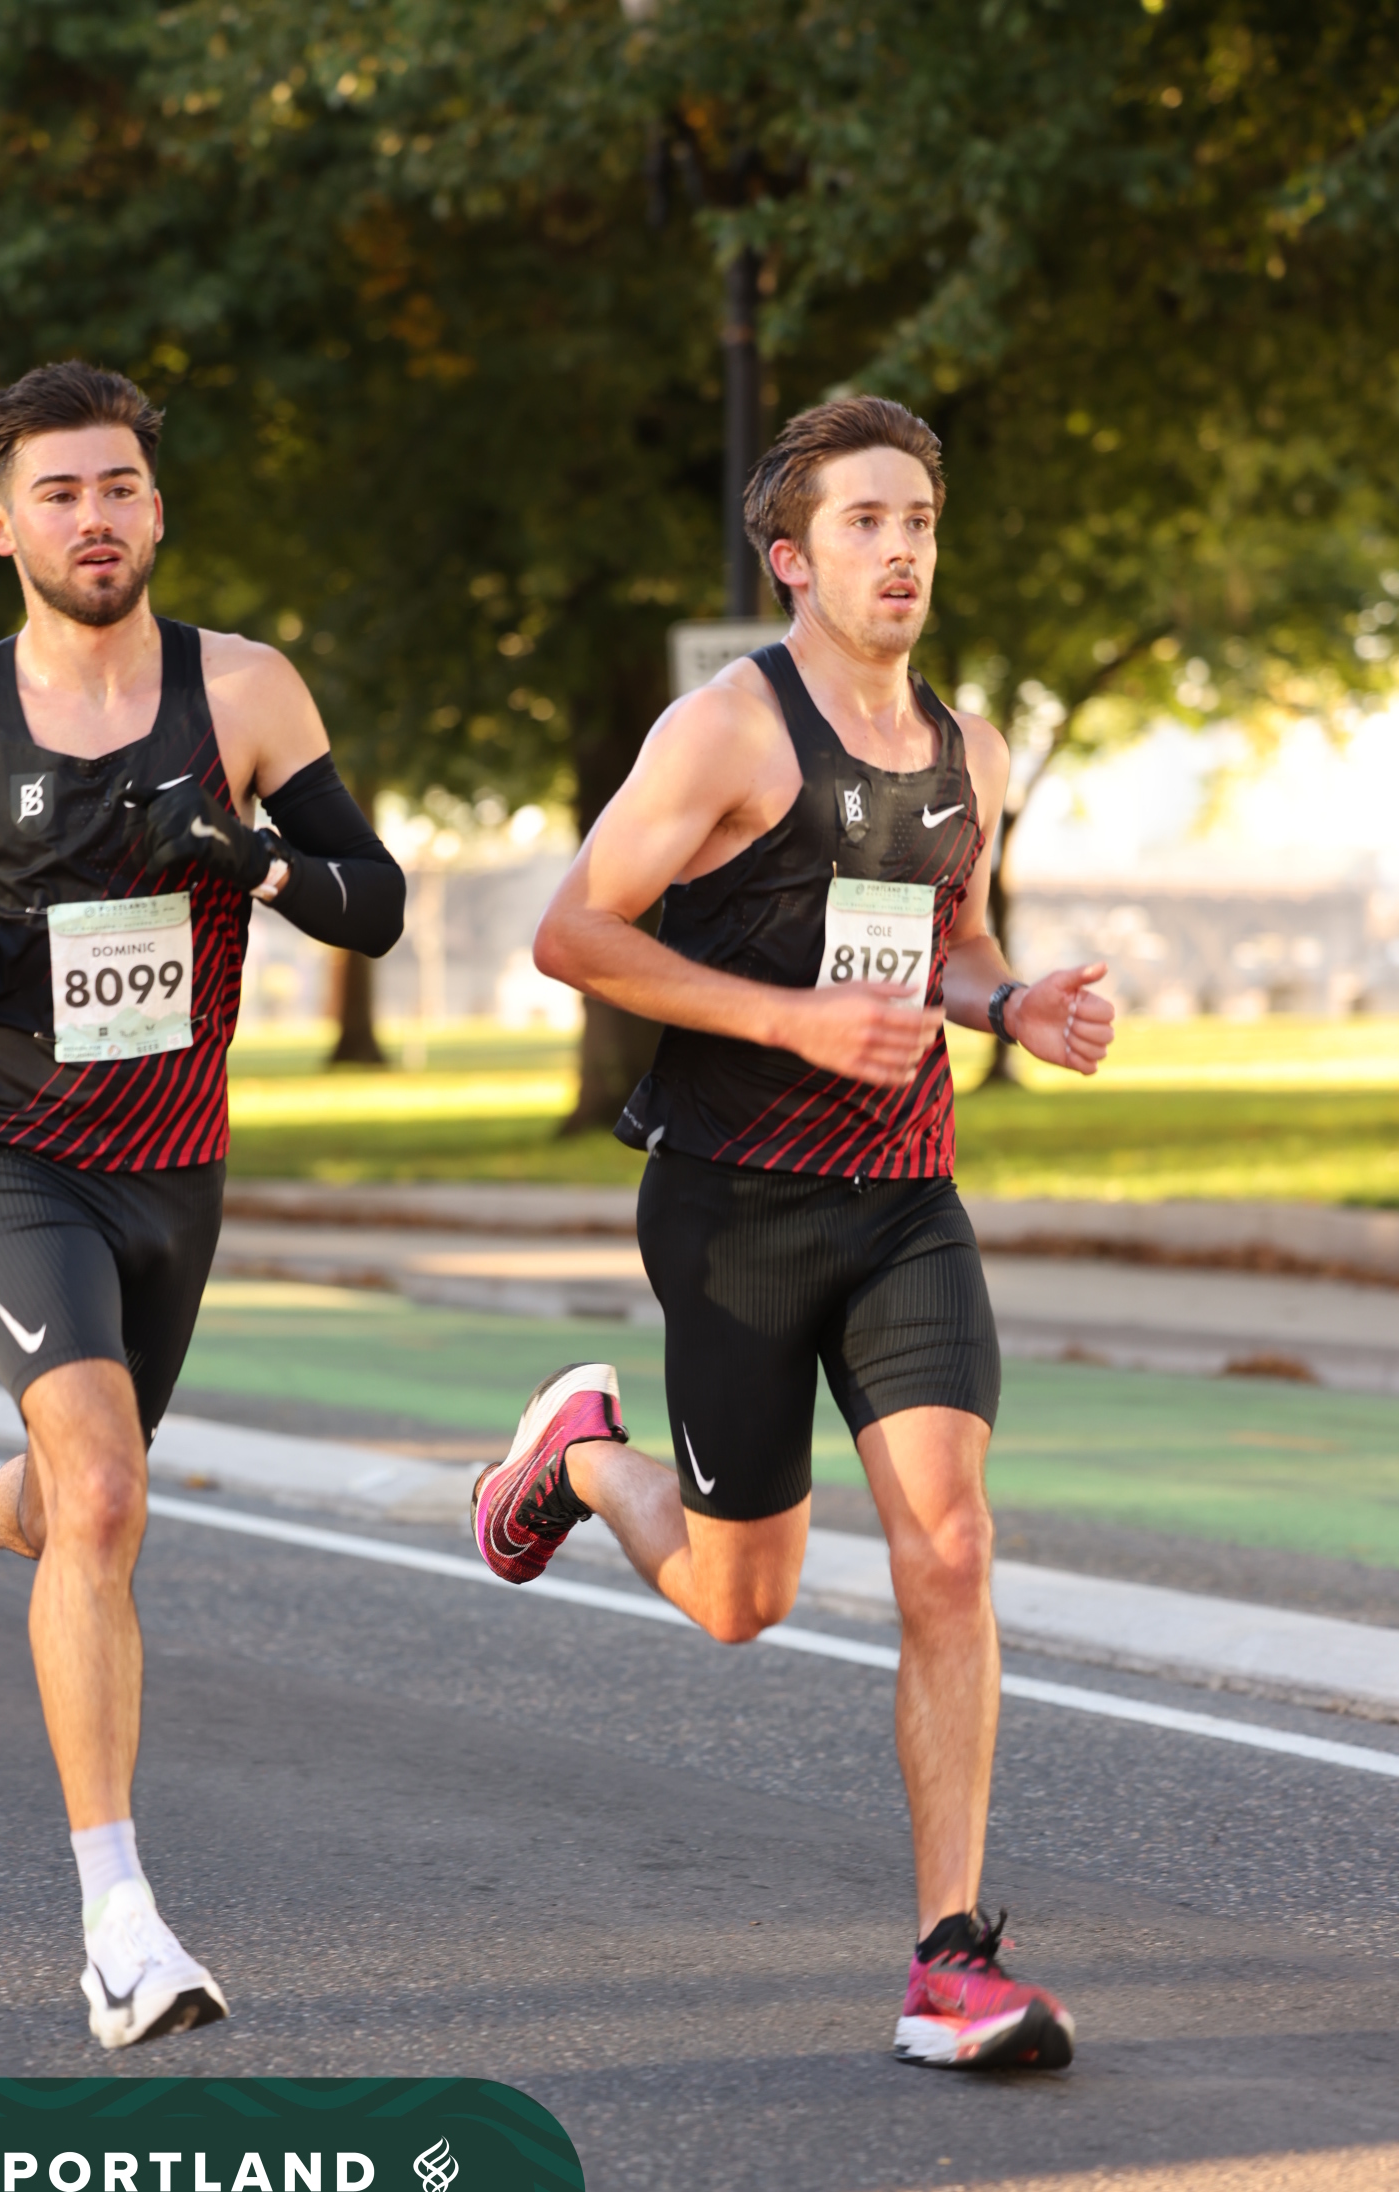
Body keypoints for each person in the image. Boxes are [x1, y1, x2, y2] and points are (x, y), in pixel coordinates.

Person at [473, 395, 1114, 2071]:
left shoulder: (967, 753)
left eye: (919, 522)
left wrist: (1013, 1004)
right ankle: (580, 1457)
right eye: (864, 524)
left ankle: (951, 1962)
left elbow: (951, 940)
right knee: (739, 1599)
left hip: (907, 1206)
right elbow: (573, 933)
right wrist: (787, 1021)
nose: (901, 553)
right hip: (735, 1208)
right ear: (792, 560)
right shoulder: (725, 734)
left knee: (949, 1549)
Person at [0, 362, 405, 2045]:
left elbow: (374, 901)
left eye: (120, 487)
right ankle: (119, 1926)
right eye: (59, 493)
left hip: (175, 1166)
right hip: (8, 1154)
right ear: (2, 527)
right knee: (115, 1494)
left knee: (75, 1505)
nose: (95, 518)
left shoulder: (246, 690)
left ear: (157, 508)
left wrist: (257, 861)